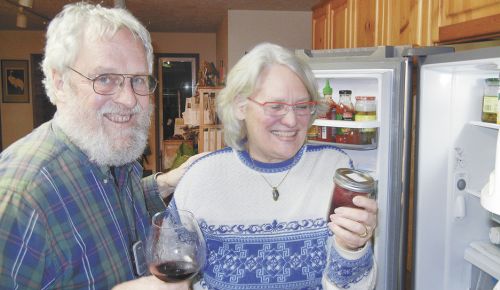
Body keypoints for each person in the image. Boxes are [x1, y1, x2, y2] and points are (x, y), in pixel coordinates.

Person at [0, 3, 196, 289]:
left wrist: (165, 183)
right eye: (105, 79)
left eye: (138, 80)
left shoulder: (113, 155)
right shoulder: (20, 198)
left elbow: (102, 200)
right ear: (60, 83)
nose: (129, 100)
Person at [170, 42, 378, 289]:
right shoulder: (202, 178)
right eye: (276, 106)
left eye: (302, 106)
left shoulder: (335, 168)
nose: (291, 121)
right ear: (240, 106)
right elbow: (174, 275)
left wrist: (352, 248)